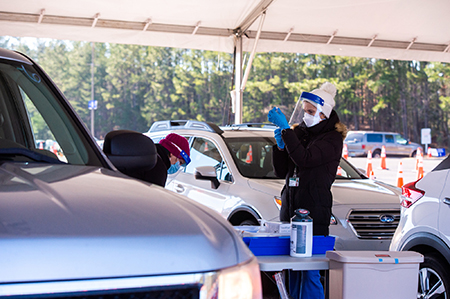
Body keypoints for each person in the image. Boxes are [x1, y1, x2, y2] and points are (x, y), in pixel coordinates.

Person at [268, 82, 347, 299]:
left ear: (324, 114)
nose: (306, 115)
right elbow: (281, 170)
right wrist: (280, 147)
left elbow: (306, 159)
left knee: (310, 271)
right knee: (292, 269)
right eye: (305, 110)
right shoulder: (301, 132)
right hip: (291, 207)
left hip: (313, 211)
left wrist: (287, 132)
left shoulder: (331, 139)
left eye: (311, 112)